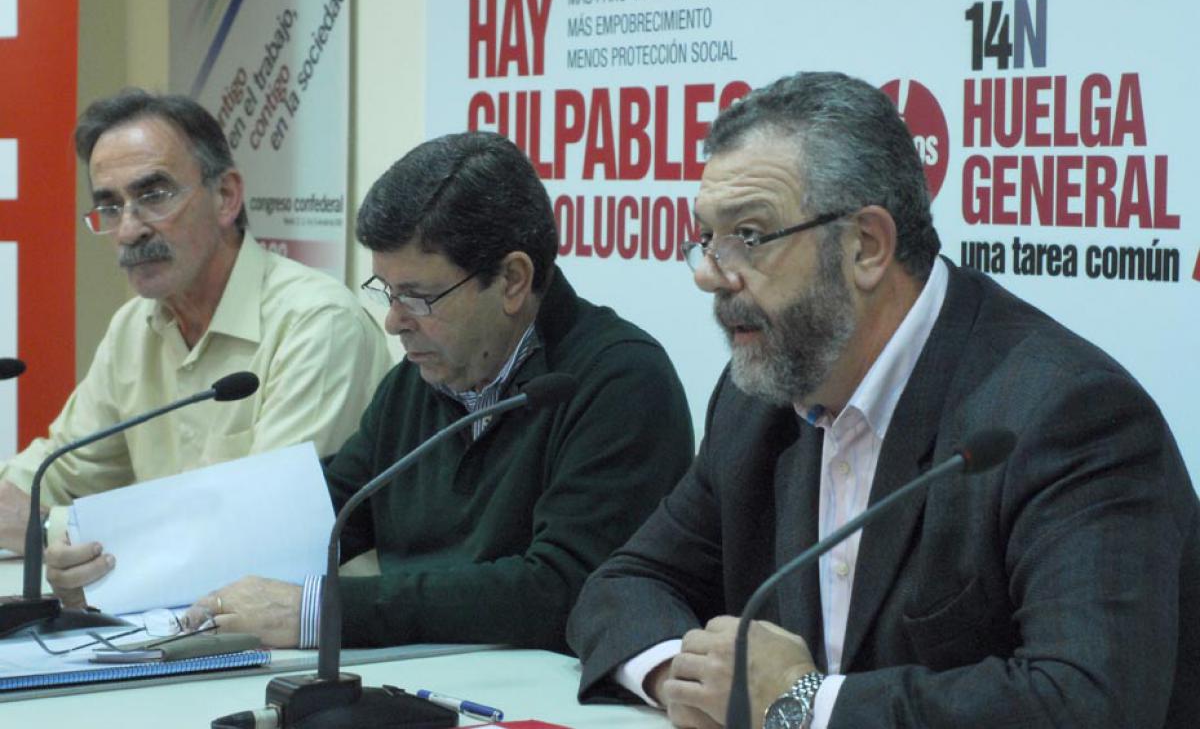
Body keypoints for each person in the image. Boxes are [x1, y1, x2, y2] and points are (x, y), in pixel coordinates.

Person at [566, 72, 1199, 728]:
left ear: (866, 246)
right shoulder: (760, 397)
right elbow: (624, 585)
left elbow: (1094, 702)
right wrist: (684, 676)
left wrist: (808, 705)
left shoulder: (1066, 413)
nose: (708, 275)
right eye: (706, 238)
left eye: (748, 236)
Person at [182, 130, 695, 652]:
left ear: (513, 280)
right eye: (387, 290)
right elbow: (329, 514)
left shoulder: (621, 380)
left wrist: (324, 612)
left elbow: (562, 589)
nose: (393, 321)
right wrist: (156, 569)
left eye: (419, 297)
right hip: (422, 674)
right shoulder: (420, 377)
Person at [0, 90, 391, 587]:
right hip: (170, 619)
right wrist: (23, 506)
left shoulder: (317, 323)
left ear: (226, 196)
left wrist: (46, 528)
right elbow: (48, 478)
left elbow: (261, 526)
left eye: (153, 195)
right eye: (110, 206)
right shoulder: (133, 328)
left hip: (310, 635)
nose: (128, 230)